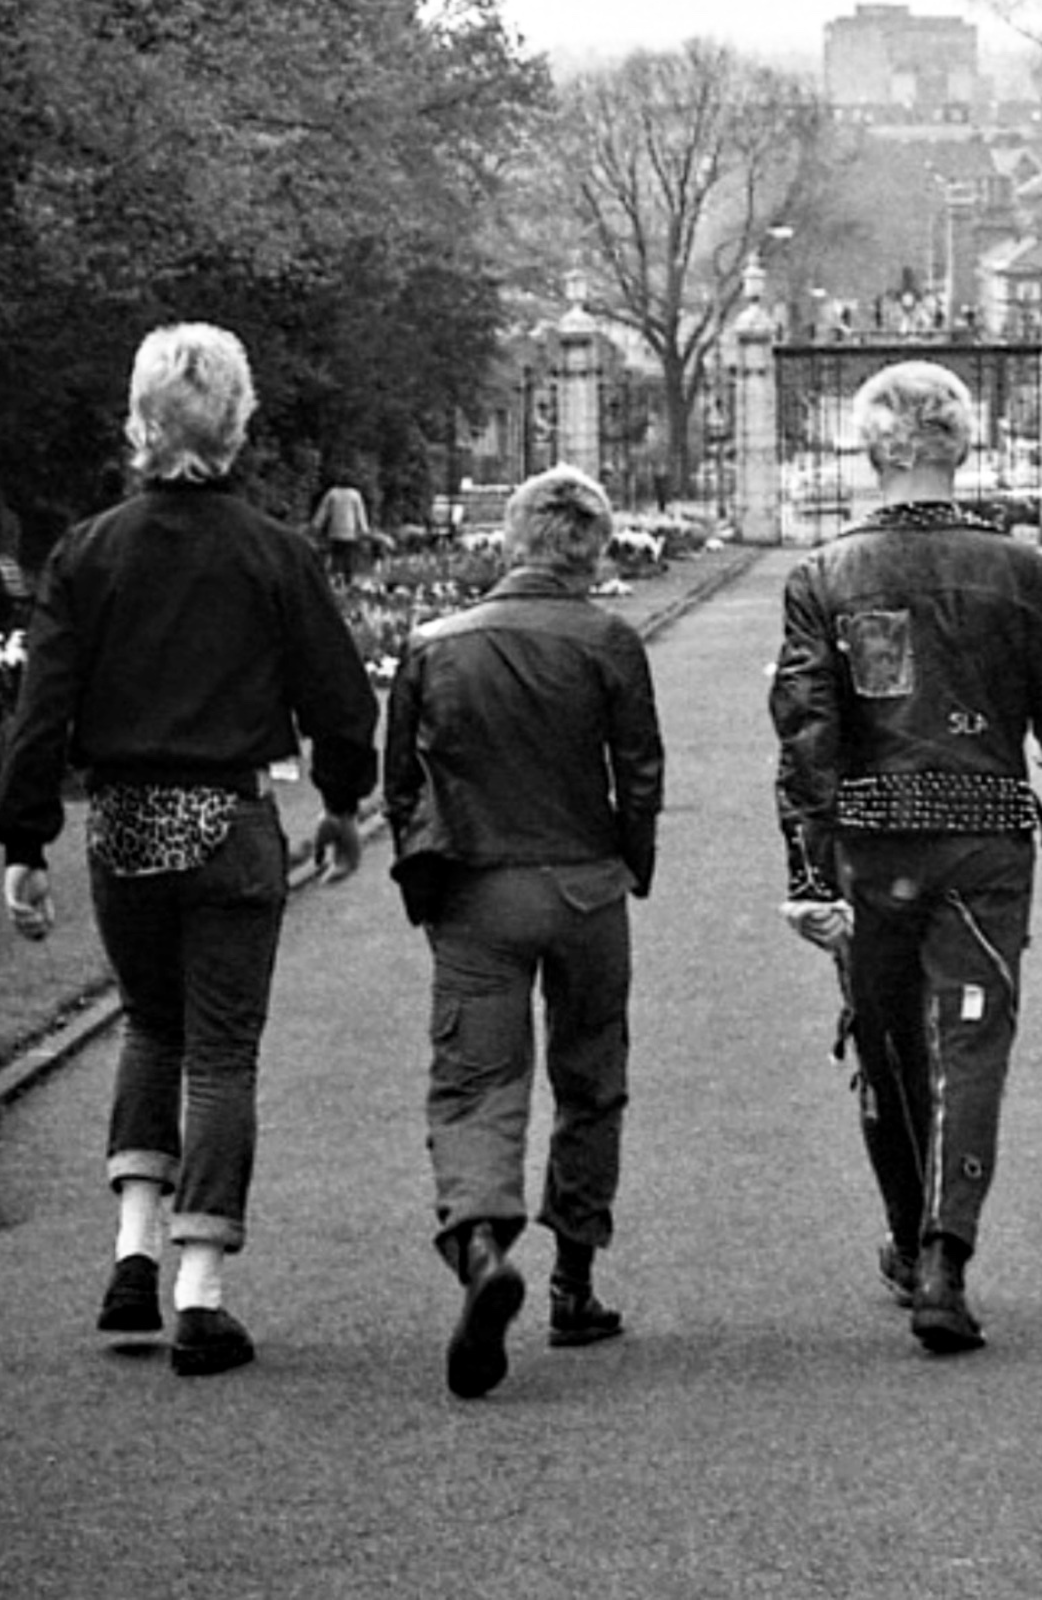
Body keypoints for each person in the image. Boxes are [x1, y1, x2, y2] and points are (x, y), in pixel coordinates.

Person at [0, 323, 379, 1377]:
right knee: (221, 1051)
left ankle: (131, 1246)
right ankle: (201, 1290)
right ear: (241, 424)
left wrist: (25, 839)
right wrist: (343, 803)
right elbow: (340, 703)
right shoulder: (273, 554)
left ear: (138, 421)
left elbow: (43, 710)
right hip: (229, 824)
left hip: (124, 824)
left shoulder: (88, 552)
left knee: (149, 1026)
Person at [769, 361, 1042, 1355]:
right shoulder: (1021, 573)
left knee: (883, 1044)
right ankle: (946, 1256)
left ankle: (902, 1231)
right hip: (985, 839)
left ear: (870, 452)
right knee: (971, 1040)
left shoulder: (823, 576)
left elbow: (806, 742)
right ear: (963, 447)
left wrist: (804, 872)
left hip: (871, 844)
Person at [383, 464, 664, 1400]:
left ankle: (478, 1246)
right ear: (594, 547)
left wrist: (424, 881)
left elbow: (401, 784)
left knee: (475, 1084)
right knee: (591, 1082)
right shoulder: (608, 640)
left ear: (512, 540)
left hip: (477, 887)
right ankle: (575, 1283)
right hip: (584, 886)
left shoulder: (435, 645)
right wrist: (633, 861)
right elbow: (640, 769)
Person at [312, 476, 371, 582]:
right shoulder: (355, 494)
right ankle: (348, 579)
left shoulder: (332, 493)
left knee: (336, 555)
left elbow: (323, 510)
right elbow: (360, 513)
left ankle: (336, 577)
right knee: (348, 556)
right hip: (350, 532)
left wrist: (316, 524)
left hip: (334, 531)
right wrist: (364, 530)